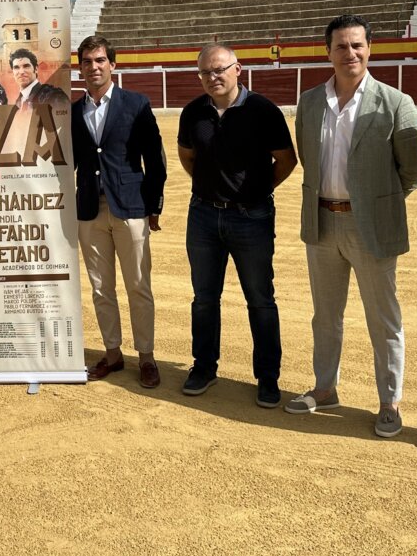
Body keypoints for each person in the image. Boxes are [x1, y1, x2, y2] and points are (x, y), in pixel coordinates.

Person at [285, 15, 417, 438]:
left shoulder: (395, 101)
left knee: (383, 318)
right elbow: (309, 158)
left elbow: (413, 170)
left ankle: (390, 400)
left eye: (358, 45)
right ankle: (325, 388)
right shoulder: (310, 102)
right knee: (325, 315)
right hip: (323, 220)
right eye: (342, 47)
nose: (351, 54)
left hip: (371, 226)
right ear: (328, 52)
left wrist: (374, 203)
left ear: (370, 49)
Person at [178, 44, 296, 405]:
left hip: (252, 216)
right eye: (204, 73)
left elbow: (286, 160)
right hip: (202, 215)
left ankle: (267, 376)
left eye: (219, 70)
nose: (212, 78)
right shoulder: (193, 112)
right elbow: (188, 157)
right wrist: (212, 189)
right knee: (204, 298)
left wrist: (255, 191)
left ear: (237, 69)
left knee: (260, 299)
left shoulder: (263, 110)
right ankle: (204, 366)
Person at [71, 35, 167, 389]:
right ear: (80, 67)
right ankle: (113, 353)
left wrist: (153, 206)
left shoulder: (136, 104)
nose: (93, 67)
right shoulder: (73, 110)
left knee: (139, 286)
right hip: (89, 210)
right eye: (86, 62)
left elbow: (155, 161)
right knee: (100, 287)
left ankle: (146, 356)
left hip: (130, 207)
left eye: (99, 61)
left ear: (112, 64)